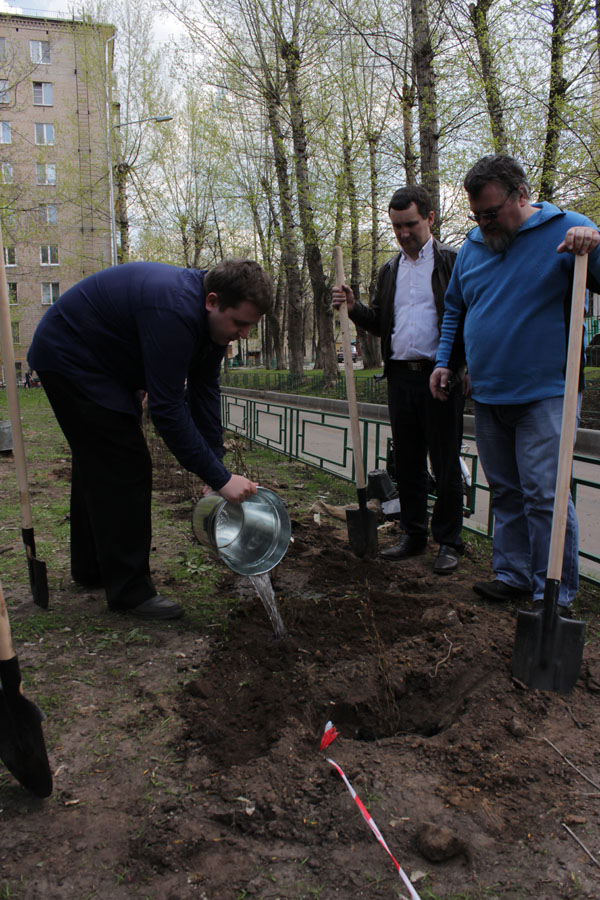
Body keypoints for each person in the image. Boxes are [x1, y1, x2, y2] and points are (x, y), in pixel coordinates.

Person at [28, 258, 273, 621]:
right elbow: (167, 410)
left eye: (250, 326)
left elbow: (204, 393)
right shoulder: (173, 311)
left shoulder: (213, 327)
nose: (243, 335)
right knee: (125, 463)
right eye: (239, 323)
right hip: (71, 356)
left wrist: (214, 468)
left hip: (104, 364)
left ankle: (92, 566)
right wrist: (221, 480)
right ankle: (129, 592)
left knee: (100, 459)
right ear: (212, 301)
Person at [431, 154, 600, 613]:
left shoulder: (568, 230)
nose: (484, 223)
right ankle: (512, 574)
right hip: (487, 392)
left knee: (544, 494)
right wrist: (445, 361)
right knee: (504, 490)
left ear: (521, 196)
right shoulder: (472, 247)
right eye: (477, 215)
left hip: (546, 392)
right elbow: (455, 310)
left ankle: (554, 593)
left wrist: (594, 244)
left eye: (491, 213)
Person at [332, 185, 466, 574]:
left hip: (440, 378)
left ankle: (449, 541)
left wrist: (462, 368)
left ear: (430, 218)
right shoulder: (389, 270)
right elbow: (382, 324)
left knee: (444, 462)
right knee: (406, 462)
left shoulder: (452, 263)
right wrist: (355, 308)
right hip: (401, 379)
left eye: (410, 224)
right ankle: (413, 534)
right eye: (396, 227)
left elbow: (466, 320)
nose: (403, 233)